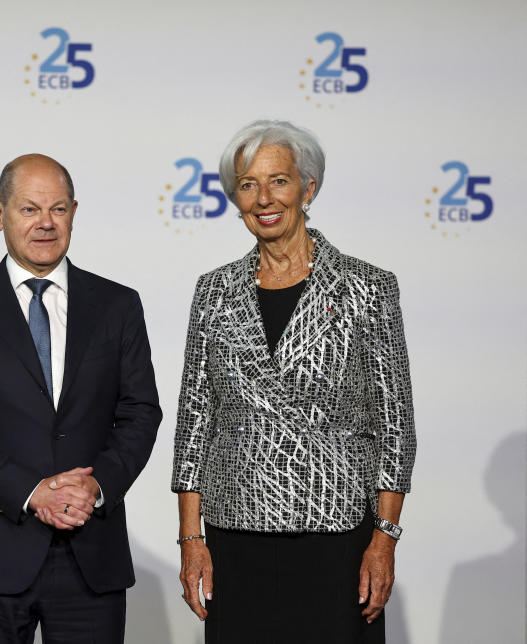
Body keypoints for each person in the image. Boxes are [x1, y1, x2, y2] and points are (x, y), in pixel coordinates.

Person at [171, 120, 416, 643]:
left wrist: (384, 540)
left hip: (337, 539)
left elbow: (396, 427)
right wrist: (191, 538)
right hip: (235, 536)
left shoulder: (366, 288)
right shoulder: (214, 292)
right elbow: (194, 423)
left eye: (278, 181)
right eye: (247, 184)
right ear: (234, 199)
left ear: (309, 188)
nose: (264, 198)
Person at [0, 153, 162, 644]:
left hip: (90, 552)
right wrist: (32, 492)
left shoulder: (118, 305)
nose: (46, 224)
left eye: (57, 209)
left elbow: (140, 411)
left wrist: (93, 490)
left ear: (74, 211)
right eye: (29, 209)